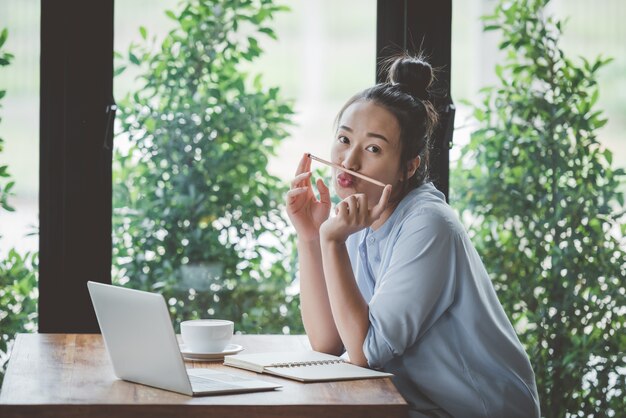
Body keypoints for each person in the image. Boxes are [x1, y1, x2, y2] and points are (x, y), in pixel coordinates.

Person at [285, 54, 540, 418]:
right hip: (416, 404)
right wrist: (311, 237)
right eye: (344, 138)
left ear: (409, 166)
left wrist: (332, 242)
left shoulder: (429, 225)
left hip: (474, 410)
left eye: (373, 148)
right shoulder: (356, 216)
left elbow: (363, 352)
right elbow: (327, 343)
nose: (349, 160)